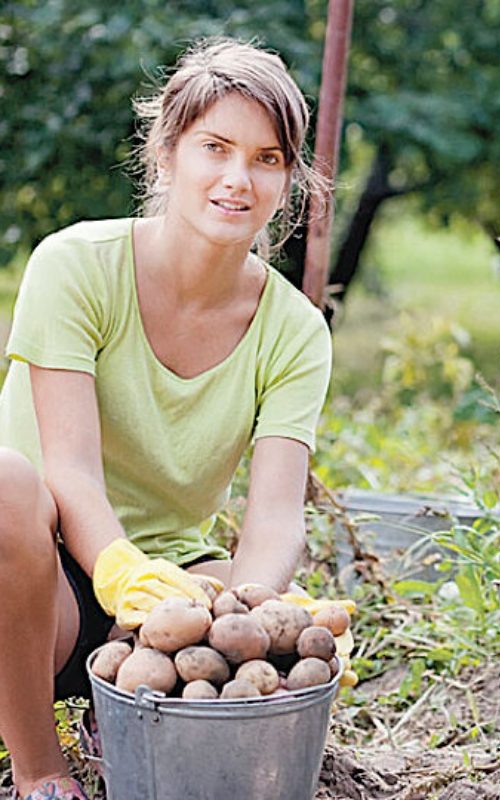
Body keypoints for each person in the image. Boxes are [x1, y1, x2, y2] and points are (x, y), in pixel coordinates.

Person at [0, 39, 339, 800]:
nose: (237, 179)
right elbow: (70, 474)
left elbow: (276, 519)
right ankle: (39, 769)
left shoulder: (293, 331)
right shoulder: (75, 268)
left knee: (258, 594)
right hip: (36, 582)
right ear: (166, 154)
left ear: (288, 180)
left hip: (169, 594)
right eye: (214, 148)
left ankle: (125, 709)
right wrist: (121, 576)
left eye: (266, 158)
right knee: (4, 485)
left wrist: (243, 619)